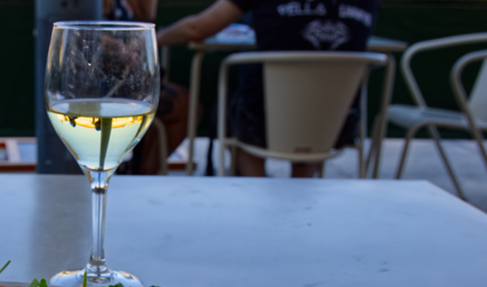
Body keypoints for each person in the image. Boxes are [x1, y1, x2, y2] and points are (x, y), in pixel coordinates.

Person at [156, 0, 379, 177]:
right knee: (316, 103)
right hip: (336, 122)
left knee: (235, 107)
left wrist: (155, 39)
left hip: (264, 119)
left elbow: (196, 29)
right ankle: (301, 183)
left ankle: (256, 184)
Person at [105, 0, 194, 175]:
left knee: (188, 106)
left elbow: (147, 17)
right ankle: (142, 172)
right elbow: (89, 34)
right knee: (182, 105)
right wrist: (120, 48)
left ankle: (141, 171)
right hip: (106, 85)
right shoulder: (102, 5)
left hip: (132, 81)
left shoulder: (127, 6)